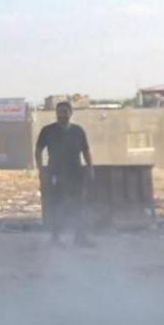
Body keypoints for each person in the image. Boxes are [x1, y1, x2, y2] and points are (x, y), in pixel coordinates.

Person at [35, 101, 94, 246]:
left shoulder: (78, 131)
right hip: (55, 172)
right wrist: (41, 169)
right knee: (57, 205)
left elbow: (86, 151)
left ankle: (79, 237)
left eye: (65, 112)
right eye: (60, 112)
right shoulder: (47, 130)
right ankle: (55, 237)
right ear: (56, 113)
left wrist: (90, 167)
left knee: (79, 205)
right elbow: (38, 150)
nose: (62, 115)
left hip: (75, 172)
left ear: (71, 113)